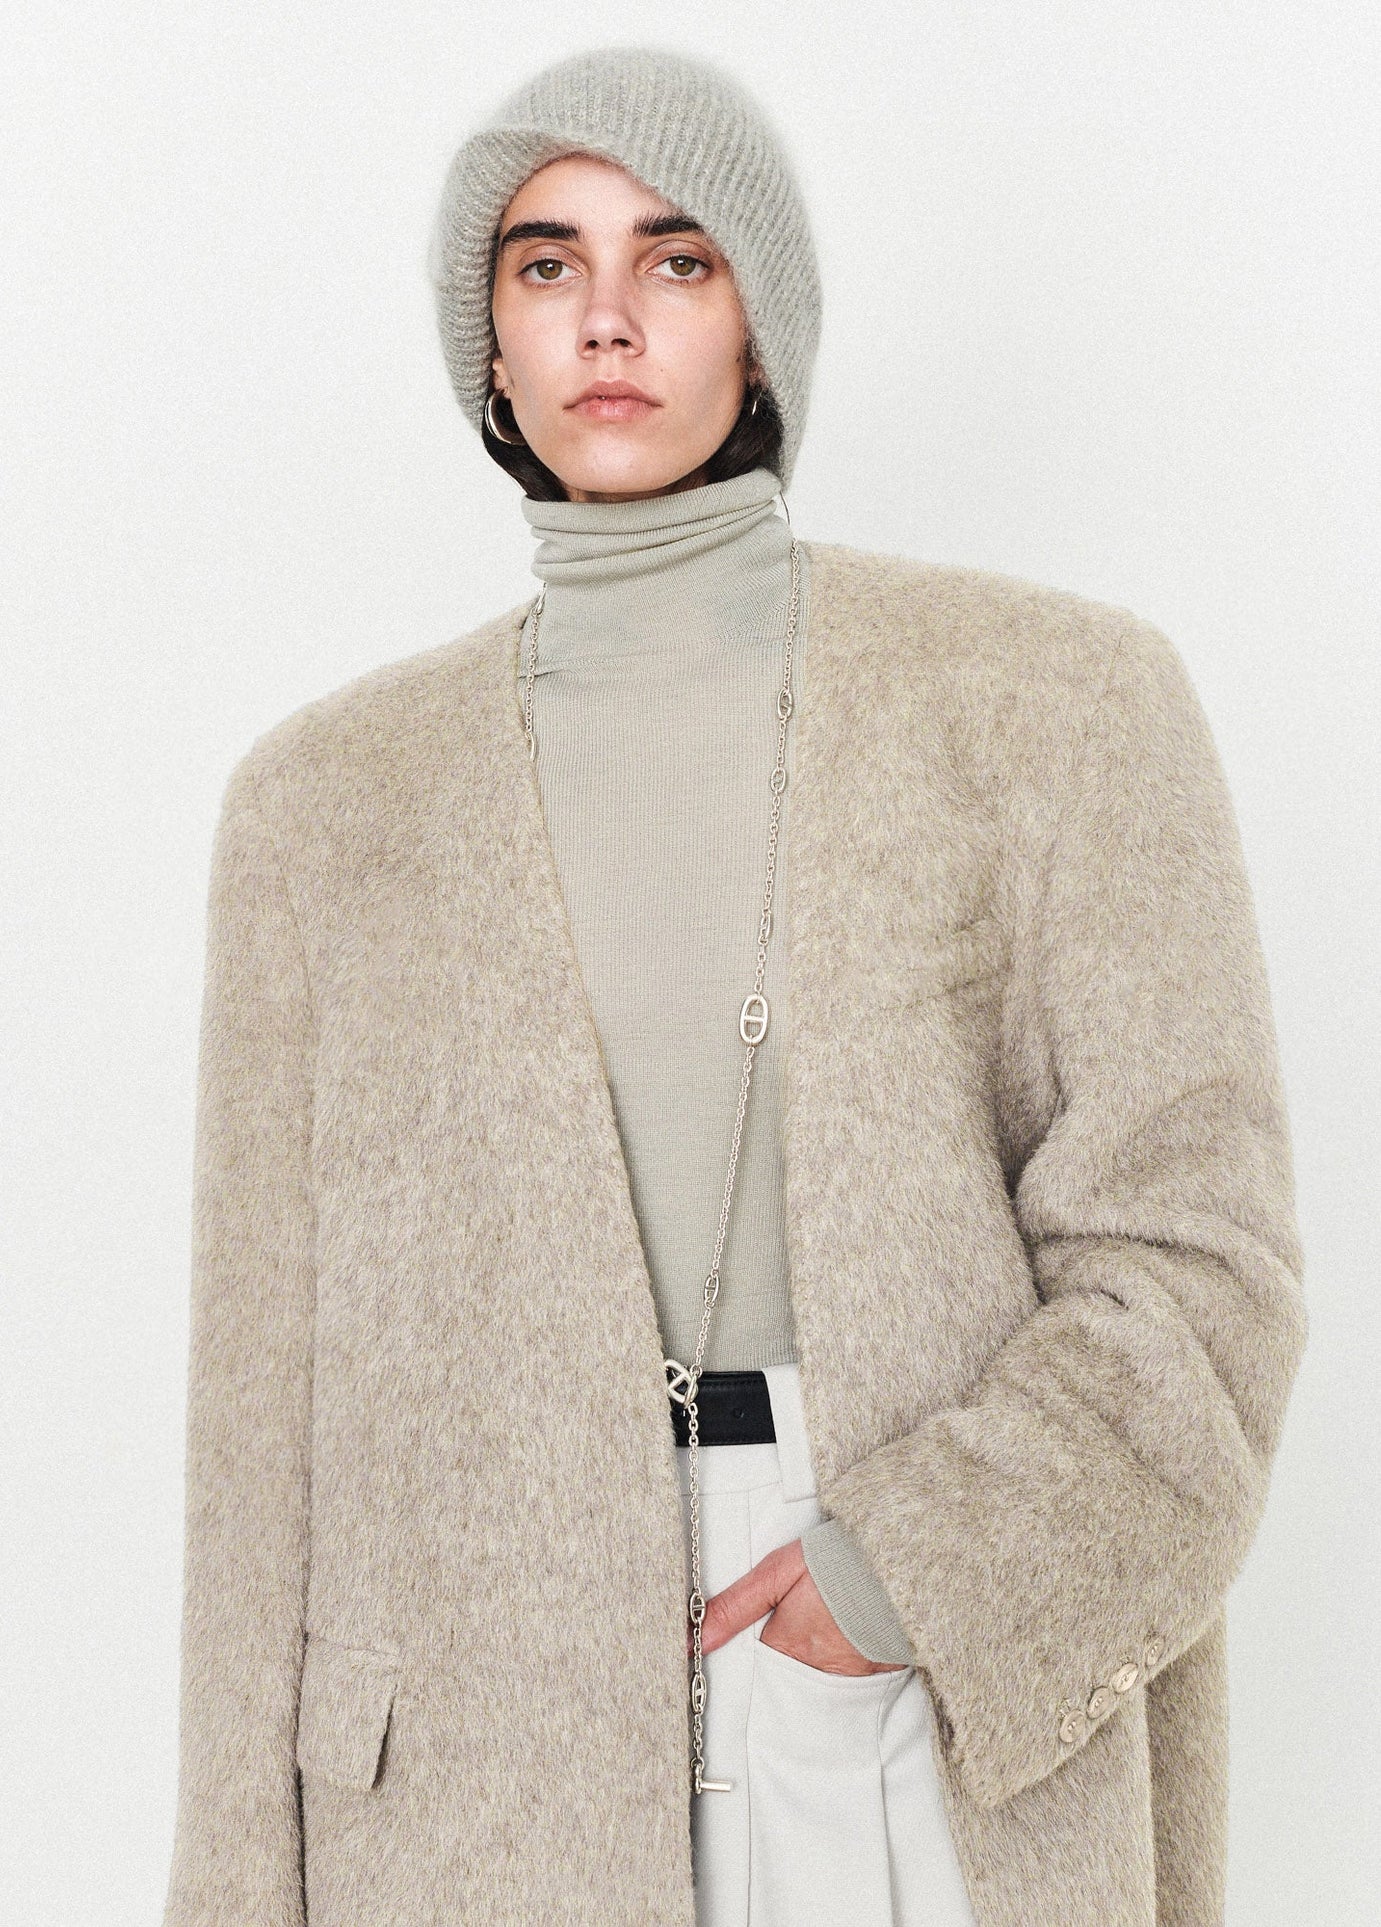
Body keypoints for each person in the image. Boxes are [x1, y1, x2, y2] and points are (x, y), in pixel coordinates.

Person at [161, 45, 1306, 1927]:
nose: (606, 316)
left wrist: (919, 1573)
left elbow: (1201, 1268)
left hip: (910, 1656)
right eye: (546, 264)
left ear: (760, 320)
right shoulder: (322, 807)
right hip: (469, 1744)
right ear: (489, 343)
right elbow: (255, 1448)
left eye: (676, 259)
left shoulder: (1055, 705)